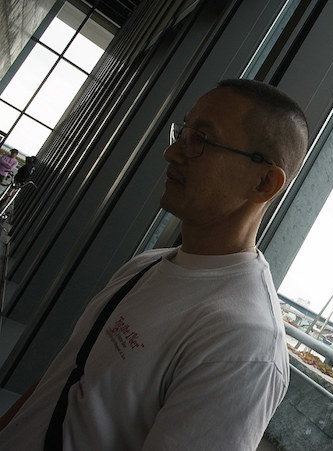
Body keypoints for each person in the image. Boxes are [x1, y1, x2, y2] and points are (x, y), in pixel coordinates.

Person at [0, 79, 309, 450]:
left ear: (264, 183)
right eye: (183, 132)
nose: (172, 152)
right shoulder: (146, 266)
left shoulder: (243, 344)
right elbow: (62, 382)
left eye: (201, 140)